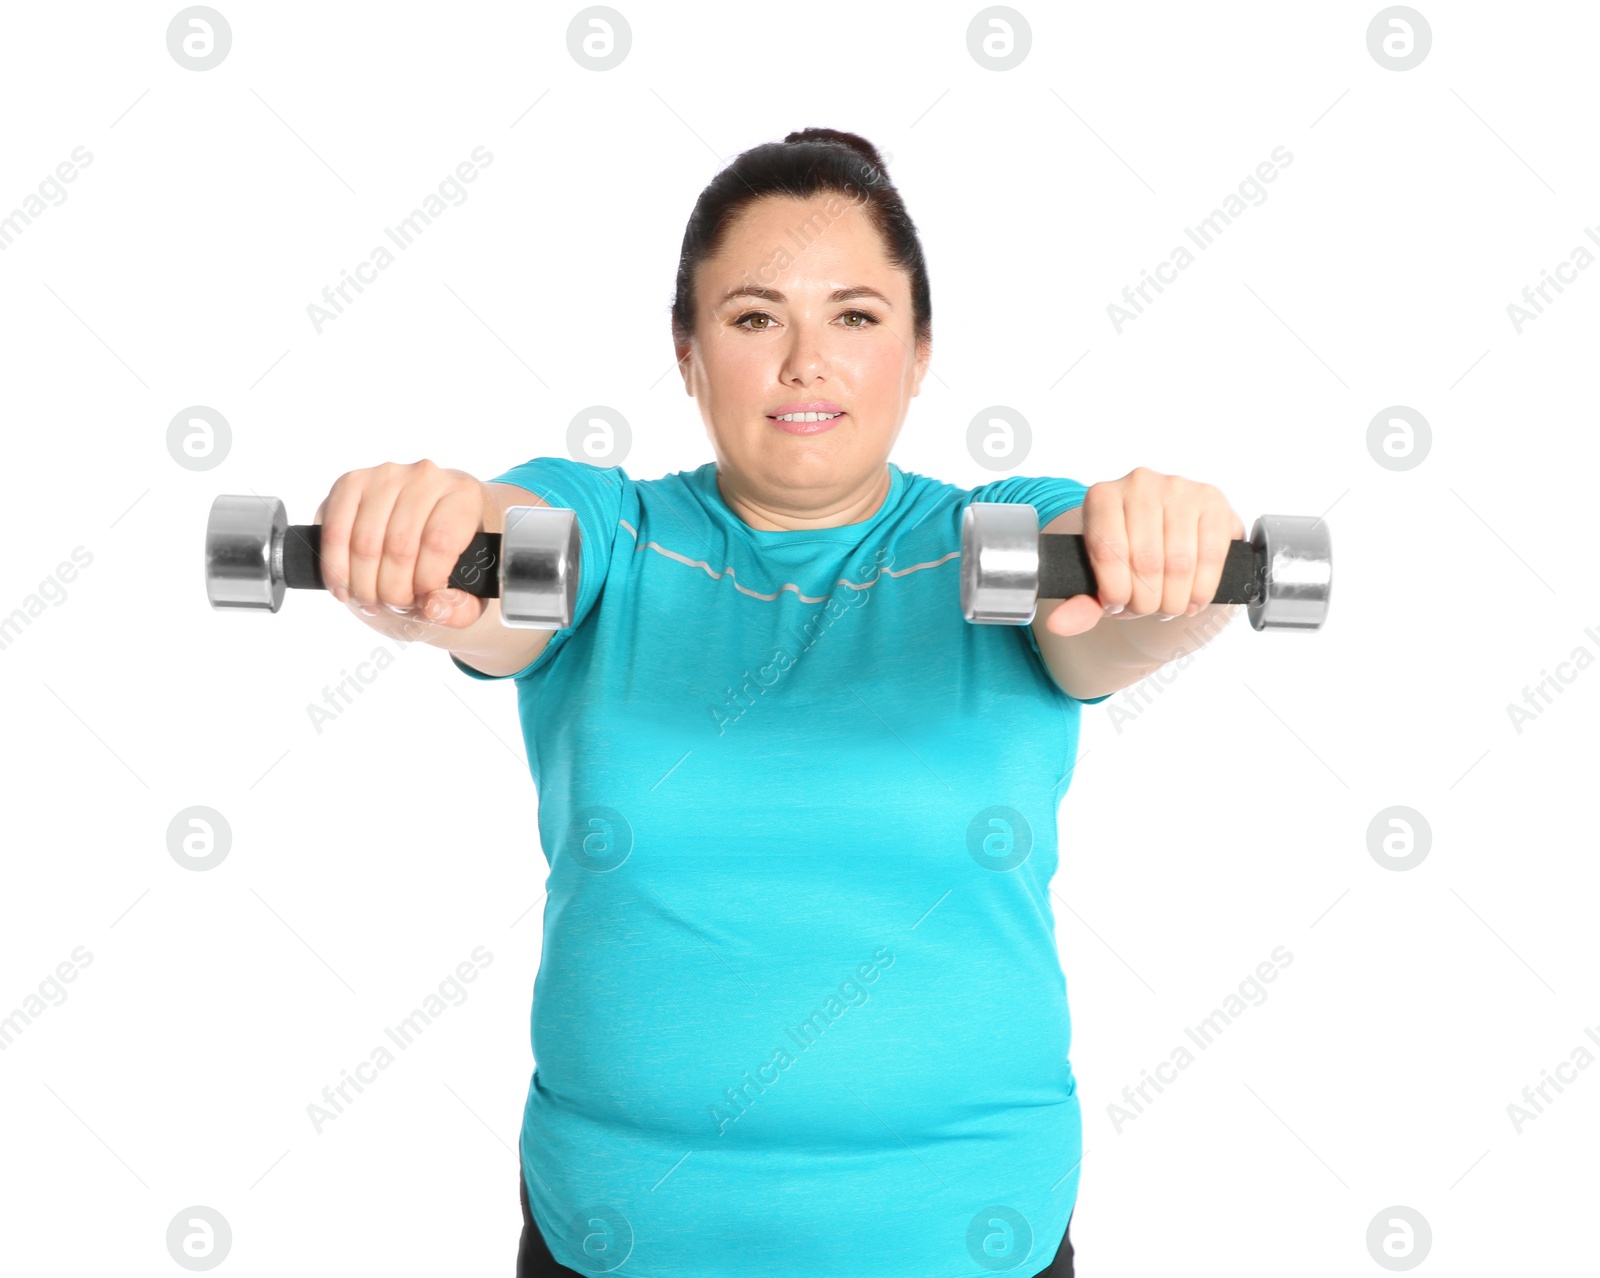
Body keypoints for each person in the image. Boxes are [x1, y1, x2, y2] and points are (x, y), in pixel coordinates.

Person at [311, 127, 1245, 1278]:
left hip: (969, 1237)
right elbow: (494, 564)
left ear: (918, 352)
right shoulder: (608, 532)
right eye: (755, 318)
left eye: (854, 317)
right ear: (689, 353)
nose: (807, 360)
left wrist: (1174, 550)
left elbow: (1117, 612)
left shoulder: (999, 542)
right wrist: (419, 538)